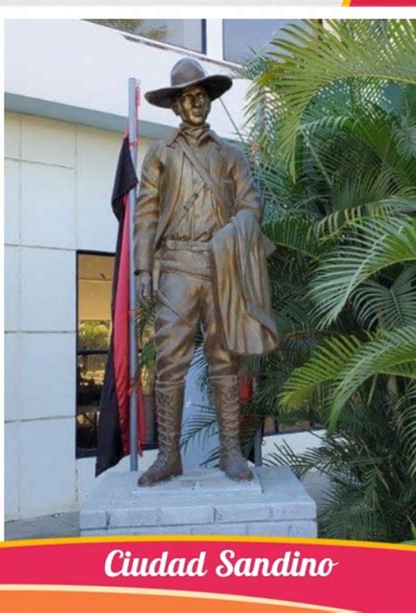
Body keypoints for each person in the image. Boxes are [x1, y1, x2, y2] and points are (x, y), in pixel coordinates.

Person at [134, 58, 277, 487]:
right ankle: (169, 456)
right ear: (176, 106)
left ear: (209, 102)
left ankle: (232, 453)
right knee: (169, 363)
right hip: (176, 265)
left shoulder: (229, 155)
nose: (196, 103)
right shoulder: (160, 154)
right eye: (188, 97)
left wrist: (233, 232)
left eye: (202, 96)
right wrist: (144, 268)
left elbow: (252, 204)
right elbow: (146, 214)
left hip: (221, 267)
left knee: (225, 360)